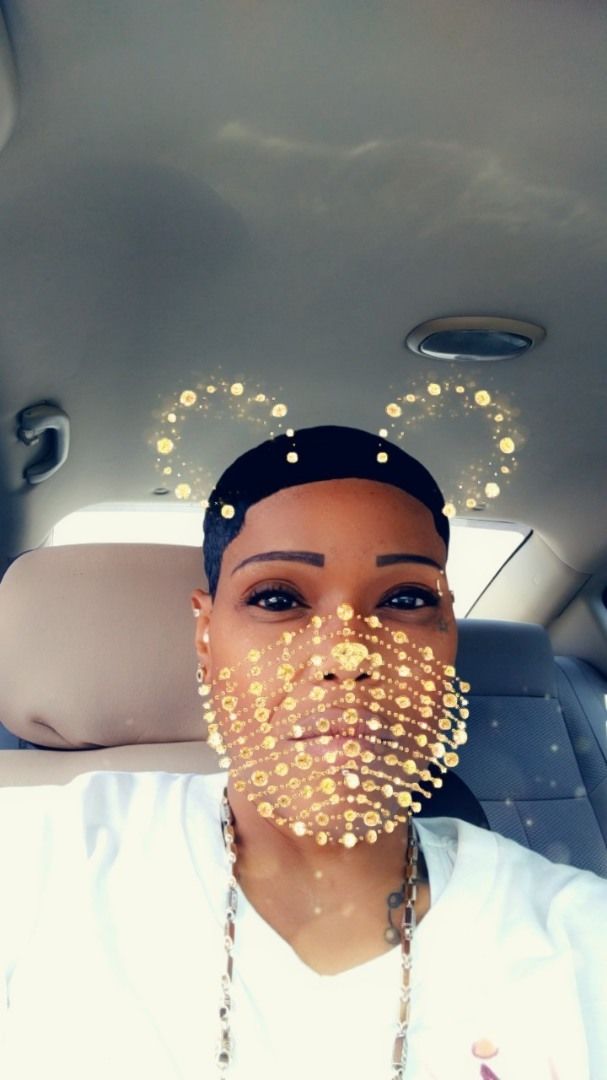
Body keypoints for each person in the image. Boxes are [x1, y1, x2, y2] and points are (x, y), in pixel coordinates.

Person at [0, 425, 605, 1080]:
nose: (346, 657)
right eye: (277, 599)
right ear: (205, 636)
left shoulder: (579, 940)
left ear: (447, 634)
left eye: (405, 600)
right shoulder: (45, 855)